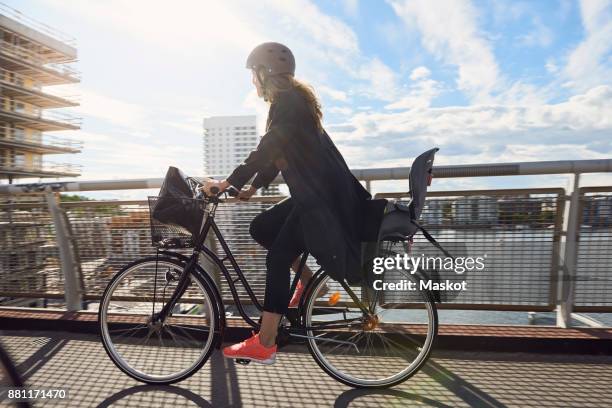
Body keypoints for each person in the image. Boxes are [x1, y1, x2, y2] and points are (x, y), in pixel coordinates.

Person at [201, 42, 372, 365]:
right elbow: (280, 154)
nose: (252, 81)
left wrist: (228, 182)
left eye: (254, 74)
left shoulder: (288, 102)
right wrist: (252, 188)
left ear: (265, 73)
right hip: (317, 194)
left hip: (320, 199)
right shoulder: (292, 102)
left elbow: (270, 145)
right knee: (261, 227)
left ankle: (265, 342)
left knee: (277, 259)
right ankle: (308, 283)